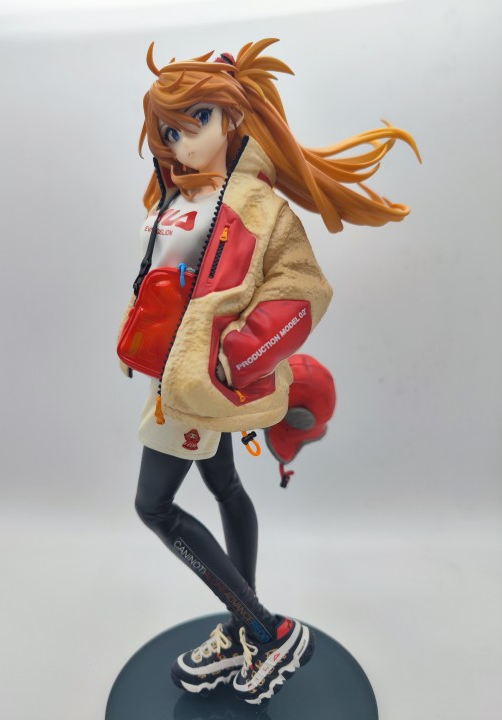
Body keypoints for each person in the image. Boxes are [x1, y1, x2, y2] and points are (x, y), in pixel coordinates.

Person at [117, 38, 419, 705]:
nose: (181, 139)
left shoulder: (256, 203)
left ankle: (266, 628)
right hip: (175, 378)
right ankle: (243, 629)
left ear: (233, 116)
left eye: (196, 119)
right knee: (224, 486)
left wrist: (235, 355)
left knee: (154, 506)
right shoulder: (181, 197)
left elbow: (303, 288)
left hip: (197, 385)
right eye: (169, 129)